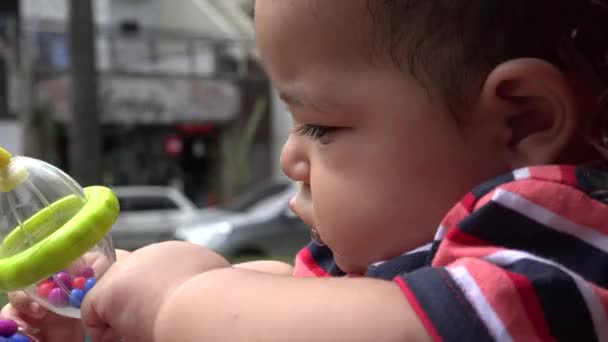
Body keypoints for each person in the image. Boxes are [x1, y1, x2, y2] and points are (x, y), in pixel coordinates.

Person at [4, 0, 608, 340]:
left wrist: (177, 302)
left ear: (522, 122)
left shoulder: (560, 251)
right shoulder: (375, 273)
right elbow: (294, 302)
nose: (291, 158)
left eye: (321, 126)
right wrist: (114, 322)